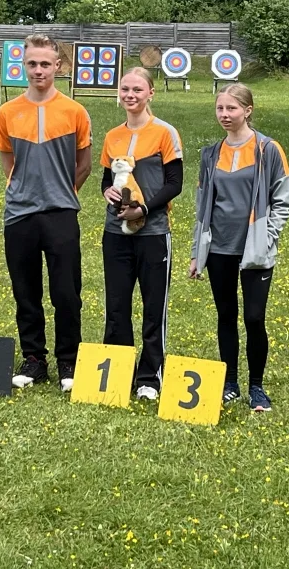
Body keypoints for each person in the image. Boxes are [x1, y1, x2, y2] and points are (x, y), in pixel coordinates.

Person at [0, 34, 93, 392]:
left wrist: (60, 192)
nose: (39, 70)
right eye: (32, 63)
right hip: (19, 215)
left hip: (61, 213)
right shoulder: (7, 112)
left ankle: (69, 361)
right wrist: (26, 191)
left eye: (45, 64)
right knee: (26, 292)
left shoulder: (75, 111)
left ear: (58, 66)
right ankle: (34, 359)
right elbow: (8, 162)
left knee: (66, 292)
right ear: (23, 65)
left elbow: (84, 164)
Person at [188, 83, 289, 412]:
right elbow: (202, 205)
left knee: (254, 317)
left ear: (247, 111)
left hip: (255, 252)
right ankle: (230, 383)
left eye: (231, 108)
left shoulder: (268, 149)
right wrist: (197, 252)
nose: (224, 114)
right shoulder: (210, 154)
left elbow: (282, 200)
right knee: (226, 316)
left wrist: (267, 236)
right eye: (220, 108)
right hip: (219, 249)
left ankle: (256, 387)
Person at [101, 67, 183, 400]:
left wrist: (144, 209)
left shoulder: (165, 132)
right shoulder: (112, 136)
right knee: (116, 305)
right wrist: (107, 191)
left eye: (137, 89)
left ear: (151, 93)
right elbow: (106, 180)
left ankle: (149, 376)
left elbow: (174, 184)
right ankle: (118, 372)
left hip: (153, 233)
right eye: (125, 89)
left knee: (153, 307)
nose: (130, 95)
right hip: (115, 232)